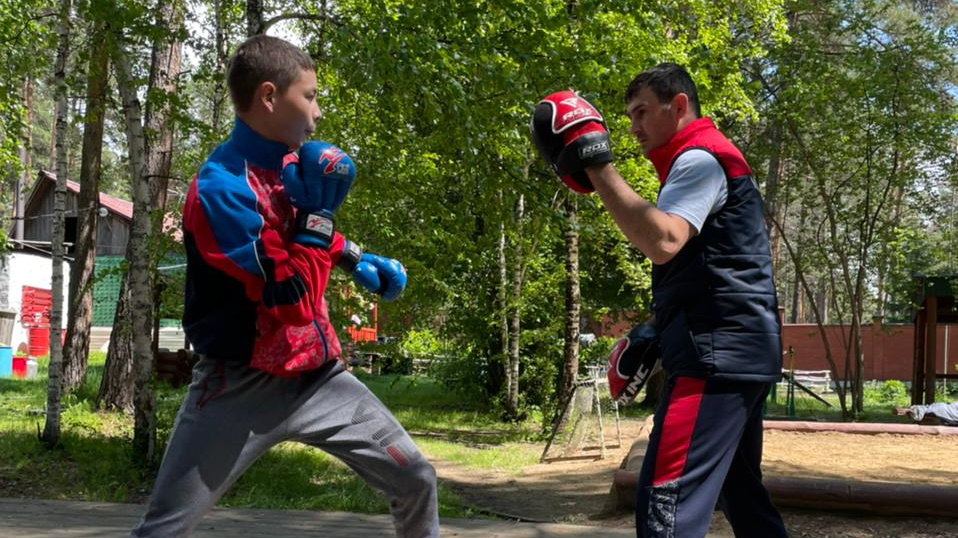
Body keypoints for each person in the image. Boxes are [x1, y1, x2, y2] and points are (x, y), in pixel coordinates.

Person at [129, 35, 439, 538]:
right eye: (309, 96)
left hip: (319, 378)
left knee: (416, 478)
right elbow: (291, 298)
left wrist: (356, 258)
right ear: (270, 97)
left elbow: (295, 232)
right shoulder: (220, 191)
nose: (317, 112)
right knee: (164, 528)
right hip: (238, 388)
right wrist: (319, 219)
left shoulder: (287, 170)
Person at [531, 63, 788, 537]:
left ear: (679, 105)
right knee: (742, 495)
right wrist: (659, 327)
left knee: (666, 502)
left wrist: (596, 162)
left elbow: (664, 241)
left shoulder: (700, 158)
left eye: (642, 112)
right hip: (741, 353)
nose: (633, 127)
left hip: (714, 358)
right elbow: (713, 266)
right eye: (630, 116)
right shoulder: (713, 158)